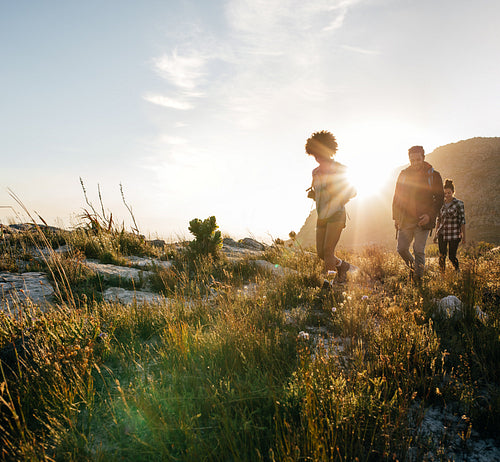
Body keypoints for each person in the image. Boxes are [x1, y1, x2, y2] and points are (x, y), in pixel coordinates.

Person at [305, 130, 356, 284]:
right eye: (314, 154)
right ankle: (343, 266)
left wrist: (338, 200)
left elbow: (352, 191)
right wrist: (314, 195)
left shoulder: (340, 168)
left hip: (336, 215)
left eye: (319, 152)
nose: (317, 157)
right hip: (321, 216)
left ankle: (329, 285)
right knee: (321, 253)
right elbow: (319, 192)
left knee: (328, 251)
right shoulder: (315, 172)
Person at [392, 145, 444, 282]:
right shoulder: (403, 175)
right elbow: (397, 197)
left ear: (423, 158)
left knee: (418, 250)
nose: (415, 163)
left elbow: (439, 199)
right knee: (402, 249)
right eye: (412, 160)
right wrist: (396, 217)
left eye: (417, 159)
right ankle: (415, 268)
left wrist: (430, 216)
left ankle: (418, 280)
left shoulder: (433, 175)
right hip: (405, 219)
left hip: (423, 220)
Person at [433, 179, 466, 272]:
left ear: (453, 192)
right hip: (442, 233)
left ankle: (457, 271)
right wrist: (436, 235)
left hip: (454, 234)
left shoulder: (459, 204)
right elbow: (439, 220)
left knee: (452, 256)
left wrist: (464, 236)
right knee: (442, 256)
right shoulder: (441, 204)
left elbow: (462, 220)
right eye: (445, 193)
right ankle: (442, 277)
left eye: (449, 193)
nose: (447, 195)